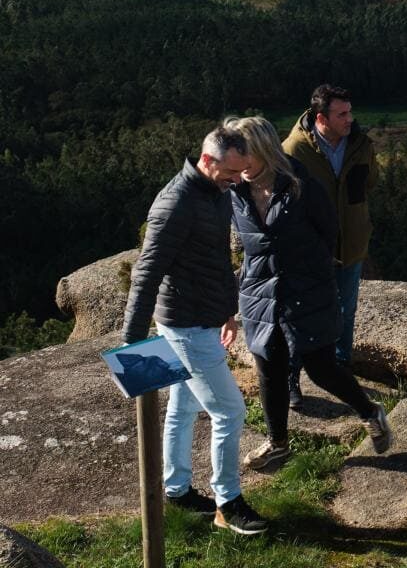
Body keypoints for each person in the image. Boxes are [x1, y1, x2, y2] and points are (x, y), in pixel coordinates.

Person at [121, 126, 268, 536]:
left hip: (201, 316)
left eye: (243, 172)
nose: (239, 180)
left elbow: (214, 259)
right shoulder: (176, 204)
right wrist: (132, 344)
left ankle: (177, 489)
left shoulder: (213, 192)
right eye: (233, 172)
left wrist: (226, 311)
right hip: (185, 325)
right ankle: (228, 503)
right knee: (229, 410)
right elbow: (146, 272)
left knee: (183, 408)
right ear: (208, 160)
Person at [226, 117, 391, 471]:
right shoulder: (234, 190)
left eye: (240, 153)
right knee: (268, 366)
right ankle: (278, 444)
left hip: (306, 285)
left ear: (261, 150)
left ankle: (370, 412)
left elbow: (327, 228)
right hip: (259, 288)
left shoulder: (299, 184)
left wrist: (312, 270)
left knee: (320, 367)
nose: (234, 162)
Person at [282, 84, 379, 408]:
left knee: (345, 312)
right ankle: (290, 378)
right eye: (342, 114)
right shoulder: (294, 151)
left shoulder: (361, 144)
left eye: (350, 111)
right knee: (299, 317)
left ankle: (341, 369)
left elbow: (369, 182)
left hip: (350, 246)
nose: (350, 119)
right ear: (321, 118)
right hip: (310, 253)